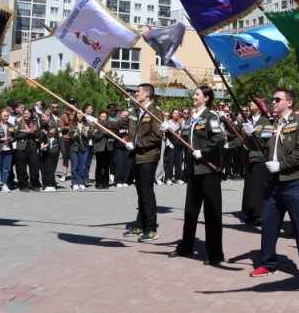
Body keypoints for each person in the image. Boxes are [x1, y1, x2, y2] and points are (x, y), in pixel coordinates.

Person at [245, 88, 299, 286]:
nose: (273, 101)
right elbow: (261, 148)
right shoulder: (273, 124)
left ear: (289, 102)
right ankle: (268, 262)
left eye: (277, 99)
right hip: (274, 183)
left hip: (295, 181)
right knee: (269, 224)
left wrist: (282, 165)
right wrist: (249, 135)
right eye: (272, 98)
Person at [170, 86, 226, 264]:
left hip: (208, 171)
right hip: (193, 171)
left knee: (212, 213)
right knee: (190, 212)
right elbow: (184, 143)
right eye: (194, 94)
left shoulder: (211, 116)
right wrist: (168, 132)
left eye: (197, 94)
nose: (193, 97)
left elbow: (219, 139)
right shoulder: (192, 119)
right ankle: (185, 247)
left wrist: (204, 151)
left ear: (207, 98)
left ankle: (215, 254)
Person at [123, 84, 164, 242]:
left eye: (138, 91)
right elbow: (120, 125)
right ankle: (140, 225)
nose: (136, 93)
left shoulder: (155, 112)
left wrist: (137, 144)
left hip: (148, 156)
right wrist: (97, 122)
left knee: (147, 193)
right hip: (136, 157)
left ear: (147, 94)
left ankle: (151, 229)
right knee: (140, 192)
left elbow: (157, 135)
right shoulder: (135, 111)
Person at [240, 97, 271, 225]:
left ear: (259, 106)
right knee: (249, 186)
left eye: (252, 103)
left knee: (259, 187)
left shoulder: (266, 121)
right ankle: (250, 212)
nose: (249, 104)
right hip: (250, 156)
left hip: (260, 157)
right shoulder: (249, 121)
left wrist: (253, 134)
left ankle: (258, 214)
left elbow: (267, 140)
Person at [13, 108, 41, 191]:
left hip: (32, 146)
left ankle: (35, 184)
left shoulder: (35, 122)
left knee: (34, 167)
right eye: (24, 113)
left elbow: (38, 134)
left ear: (31, 114)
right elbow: (16, 135)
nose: (26, 115)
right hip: (21, 147)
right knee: (21, 167)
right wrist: (26, 133)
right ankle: (23, 185)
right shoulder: (18, 121)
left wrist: (32, 133)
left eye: (27, 113)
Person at [38, 111, 61, 191]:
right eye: (42, 117)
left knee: (50, 168)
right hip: (44, 150)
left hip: (53, 150)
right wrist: (41, 145)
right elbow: (41, 137)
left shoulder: (55, 125)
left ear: (49, 117)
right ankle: (46, 183)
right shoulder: (43, 125)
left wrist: (63, 152)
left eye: (44, 117)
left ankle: (50, 185)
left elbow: (59, 139)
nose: (42, 118)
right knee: (44, 168)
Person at [0, 108, 15, 192]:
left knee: (6, 168)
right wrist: (1, 139)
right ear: (0, 116)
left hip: (8, 149)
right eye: (4, 116)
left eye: (7, 116)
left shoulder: (11, 126)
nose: (6, 117)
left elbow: (15, 136)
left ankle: (5, 184)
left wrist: (11, 139)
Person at [91, 112, 113, 189]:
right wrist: (103, 133)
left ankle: (106, 182)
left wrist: (108, 133)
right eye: (102, 116)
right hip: (99, 148)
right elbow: (95, 137)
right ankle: (98, 182)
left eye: (105, 116)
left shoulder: (110, 124)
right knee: (99, 166)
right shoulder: (96, 125)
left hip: (108, 147)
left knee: (107, 166)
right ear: (99, 117)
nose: (103, 118)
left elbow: (113, 134)